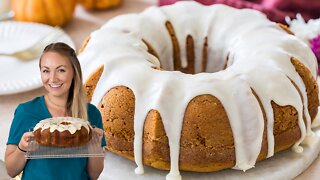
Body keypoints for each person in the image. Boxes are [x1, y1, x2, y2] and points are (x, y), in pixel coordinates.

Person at [4, 42, 106, 180]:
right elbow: (10, 171)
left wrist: (95, 149)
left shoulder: (91, 114)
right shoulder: (26, 111)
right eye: (46, 70)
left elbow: (94, 175)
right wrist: (22, 148)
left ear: (74, 72)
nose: (52, 78)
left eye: (61, 70)